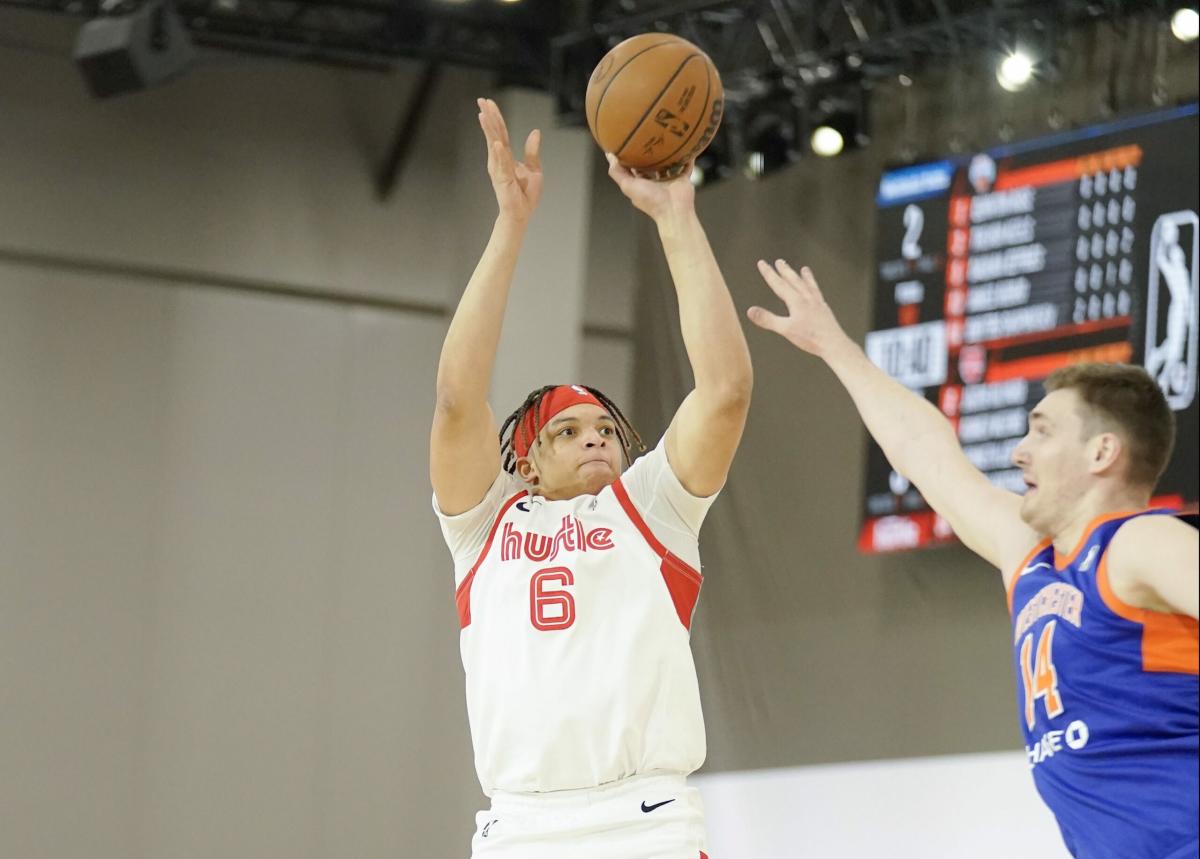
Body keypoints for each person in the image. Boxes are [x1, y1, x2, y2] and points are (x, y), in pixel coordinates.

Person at [747, 259, 1198, 859]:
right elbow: (926, 454)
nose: (1019, 452)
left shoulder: (1141, 542)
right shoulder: (1031, 558)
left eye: (1042, 432)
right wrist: (833, 346)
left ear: (1102, 452)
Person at [430, 97, 752, 858]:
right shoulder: (484, 525)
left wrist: (676, 219)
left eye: (606, 428)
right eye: (568, 431)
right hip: (519, 827)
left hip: (644, 820)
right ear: (526, 463)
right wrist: (510, 225)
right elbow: (454, 401)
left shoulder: (652, 508)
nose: (596, 438)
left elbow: (726, 391)